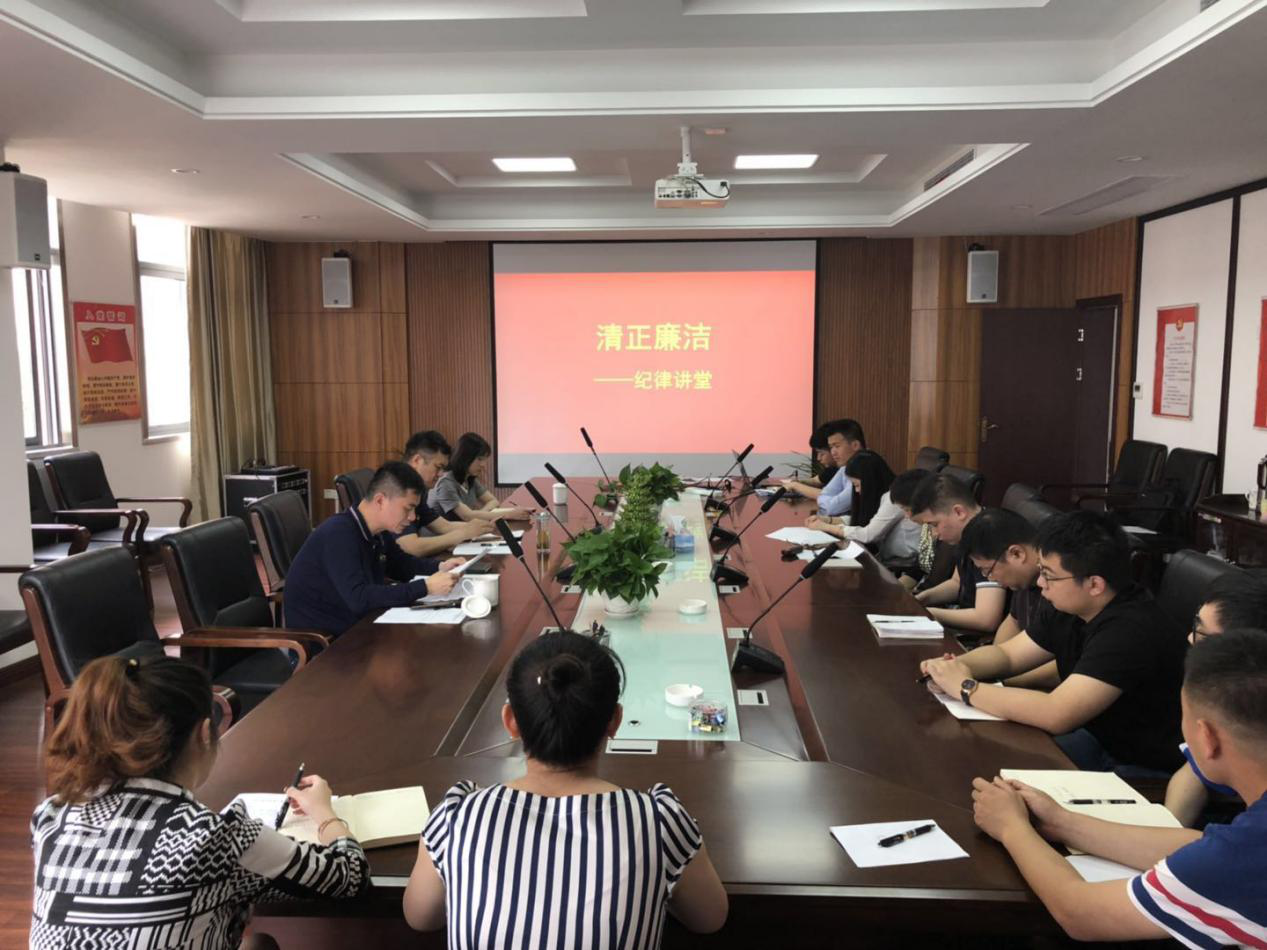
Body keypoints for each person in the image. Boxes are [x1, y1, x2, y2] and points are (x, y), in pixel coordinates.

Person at [403, 630, 729, 947]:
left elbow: (420, 917)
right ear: (615, 721)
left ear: (510, 721)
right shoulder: (659, 823)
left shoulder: (458, 818)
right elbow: (710, 918)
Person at [30, 654, 369, 949]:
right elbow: (350, 876)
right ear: (204, 733)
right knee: (260, 944)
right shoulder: (215, 836)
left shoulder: (51, 816)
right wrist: (324, 812)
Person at [970, 630, 1267, 945]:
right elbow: (1203, 845)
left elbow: (1080, 913)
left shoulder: (1245, 852)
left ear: (1207, 738)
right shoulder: (1246, 839)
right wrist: (1061, 822)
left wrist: (1012, 828)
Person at [920, 510, 1188, 775]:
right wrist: (954, 667)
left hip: (1142, 763)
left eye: (1049, 575)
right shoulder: (1069, 604)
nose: (1040, 583)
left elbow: (1057, 713)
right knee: (972, 757)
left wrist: (966, 687)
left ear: (1095, 584)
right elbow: (1008, 656)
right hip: (1099, 738)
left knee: (986, 773)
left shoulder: (1129, 630)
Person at [284, 461, 464, 637]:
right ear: (380, 500)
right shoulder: (338, 534)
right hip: (328, 642)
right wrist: (425, 587)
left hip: (360, 626)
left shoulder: (377, 530)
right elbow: (359, 599)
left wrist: (440, 567)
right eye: (407, 508)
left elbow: (400, 564)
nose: (412, 517)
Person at [1165, 576, 1267, 825]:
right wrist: (1169, 825)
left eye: (1203, 634)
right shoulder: (1223, 687)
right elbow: (1194, 770)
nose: (1191, 639)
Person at [911, 473, 1007, 635]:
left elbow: (986, 619)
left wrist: (928, 613)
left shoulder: (989, 536)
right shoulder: (966, 534)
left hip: (978, 636)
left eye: (934, 524)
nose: (934, 534)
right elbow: (957, 583)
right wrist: (922, 598)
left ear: (959, 512)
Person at [396, 429, 489, 558]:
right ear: (417, 461)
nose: (440, 474)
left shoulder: (420, 491)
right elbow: (412, 547)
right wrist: (462, 534)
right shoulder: (397, 488)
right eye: (438, 467)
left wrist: (479, 527)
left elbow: (444, 526)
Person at [805, 460, 922, 563]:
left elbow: (868, 534)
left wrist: (826, 527)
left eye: (857, 485)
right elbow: (867, 519)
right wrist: (829, 520)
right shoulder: (884, 494)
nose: (857, 491)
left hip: (901, 561)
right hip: (886, 557)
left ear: (870, 481)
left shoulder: (895, 499)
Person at [430, 432, 532, 523]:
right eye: (479, 459)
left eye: (484, 460)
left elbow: (493, 501)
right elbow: (467, 516)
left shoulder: (469, 479)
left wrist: (479, 515)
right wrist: (510, 514)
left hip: (465, 534)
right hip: (445, 538)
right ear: (465, 457)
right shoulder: (446, 483)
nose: (483, 465)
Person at [781, 419, 866, 517]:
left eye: (837, 446)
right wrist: (828, 499)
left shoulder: (866, 468)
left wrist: (827, 499)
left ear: (855, 445)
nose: (833, 452)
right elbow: (825, 494)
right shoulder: (845, 468)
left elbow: (832, 507)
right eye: (831, 447)